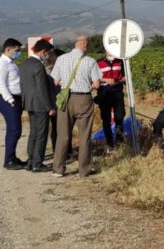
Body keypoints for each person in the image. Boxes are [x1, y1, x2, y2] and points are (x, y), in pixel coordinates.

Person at [50, 35, 102, 177]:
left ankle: (58, 169)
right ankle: (84, 170)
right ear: (85, 46)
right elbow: (97, 84)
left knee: (63, 135)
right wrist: (86, 86)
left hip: (65, 99)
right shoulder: (90, 61)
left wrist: (67, 85)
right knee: (84, 135)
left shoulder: (61, 59)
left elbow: (55, 81)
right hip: (83, 99)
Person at [20, 40, 56, 172]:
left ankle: (30, 161)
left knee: (33, 133)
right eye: (48, 53)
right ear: (43, 51)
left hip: (29, 103)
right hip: (41, 105)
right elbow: (42, 89)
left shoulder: (24, 64)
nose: (48, 56)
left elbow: (23, 85)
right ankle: (37, 163)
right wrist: (49, 107)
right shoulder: (38, 66)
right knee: (41, 134)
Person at [0, 38, 26, 170]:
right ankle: (9, 160)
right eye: (16, 50)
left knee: (14, 131)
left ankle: (12, 157)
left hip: (16, 99)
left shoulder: (12, 63)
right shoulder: (1, 64)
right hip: (8, 101)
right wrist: (11, 100)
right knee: (14, 130)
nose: (18, 53)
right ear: (8, 49)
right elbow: (1, 84)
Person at [95, 53, 126, 153]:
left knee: (120, 115)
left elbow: (125, 75)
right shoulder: (98, 62)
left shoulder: (120, 61)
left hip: (117, 92)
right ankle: (109, 142)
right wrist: (106, 80)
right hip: (104, 93)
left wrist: (121, 80)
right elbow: (95, 77)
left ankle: (119, 140)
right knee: (106, 118)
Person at [45, 48, 71, 157]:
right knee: (57, 128)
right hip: (56, 101)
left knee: (62, 127)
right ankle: (59, 151)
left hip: (60, 100)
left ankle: (65, 150)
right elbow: (50, 88)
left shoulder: (53, 69)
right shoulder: (50, 70)